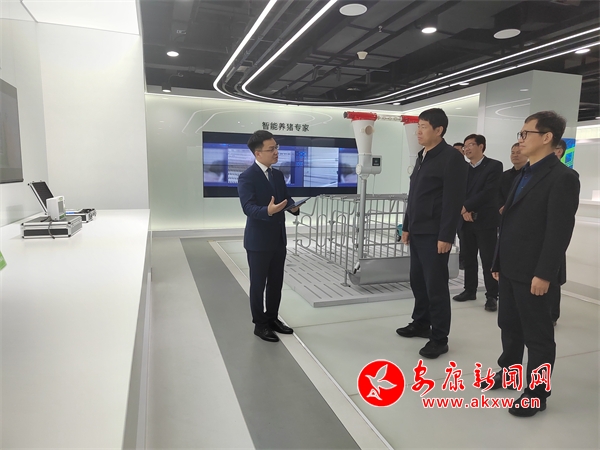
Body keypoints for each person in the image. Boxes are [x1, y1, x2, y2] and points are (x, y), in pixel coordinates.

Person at [488, 111, 580, 417]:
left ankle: (537, 393)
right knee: (509, 325)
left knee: (537, 335)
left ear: (547, 137)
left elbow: (558, 232)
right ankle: (509, 372)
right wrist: (498, 261)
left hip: (534, 273)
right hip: (510, 268)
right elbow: (508, 223)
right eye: (521, 133)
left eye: (526, 133)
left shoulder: (562, 178)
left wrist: (544, 274)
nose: (520, 140)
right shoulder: (522, 173)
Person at [396, 108, 468, 359]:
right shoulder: (422, 156)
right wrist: (406, 226)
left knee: (435, 286)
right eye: (418, 126)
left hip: (435, 234)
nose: (418, 131)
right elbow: (414, 196)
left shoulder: (451, 158)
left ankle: (439, 337)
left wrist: (446, 236)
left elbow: (453, 200)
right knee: (418, 281)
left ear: (439, 130)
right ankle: (421, 323)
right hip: (418, 230)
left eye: (423, 126)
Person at [237, 130, 300, 343]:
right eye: (271, 149)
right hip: (258, 242)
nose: (276, 152)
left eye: (276, 148)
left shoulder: (278, 175)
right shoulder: (247, 177)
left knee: (276, 282)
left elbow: (285, 198)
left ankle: (272, 318)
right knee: (258, 285)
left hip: (278, 239)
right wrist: (268, 211)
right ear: (258, 153)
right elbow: (248, 208)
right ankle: (260, 324)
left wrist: (293, 207)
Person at [453, 134, 503, 312]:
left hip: (485, 221)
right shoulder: (463, 168)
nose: (466, 149)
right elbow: (457, 191)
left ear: (481, 146)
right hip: (465, 221)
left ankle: (492, 295)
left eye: (470, 145)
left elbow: (489, 192)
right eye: (465, 146)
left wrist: (466, 206)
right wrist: (464, 211)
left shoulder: (494, 166)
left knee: (488, 259)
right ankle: (469, 290)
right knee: (468, 257)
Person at [498, 143, 528, 214]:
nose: (515, 155)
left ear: (527, 154)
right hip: (504, 213)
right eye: (513, 153)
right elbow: (498, 194)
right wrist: (501, 206)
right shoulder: (504, 175)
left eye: (518, 152)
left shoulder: (531, 174)